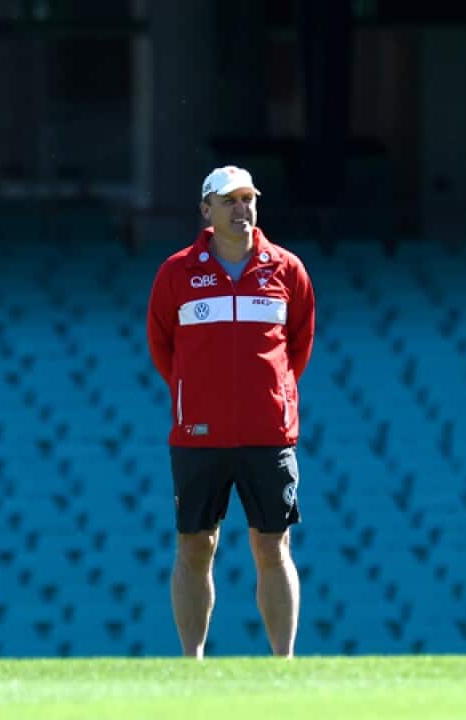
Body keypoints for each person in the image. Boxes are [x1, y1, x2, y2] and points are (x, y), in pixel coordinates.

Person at [146, 166, 316, 658]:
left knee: (273, 547)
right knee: (196, 547)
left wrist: (273, 395)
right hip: (198, 437)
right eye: (230, 200)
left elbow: (297, 346)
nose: (242, 208)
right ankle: (192, 665)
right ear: (207, 209)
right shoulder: (177, 272)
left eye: (248, 199)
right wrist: (195, 395)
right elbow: (163, 347)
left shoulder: (287, 270)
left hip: (269, 433)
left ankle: (283, 665)